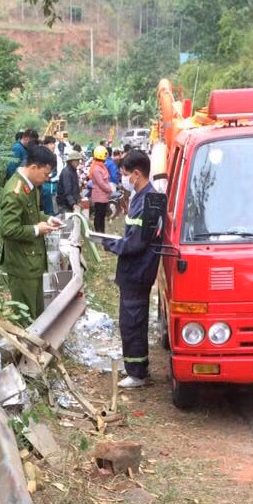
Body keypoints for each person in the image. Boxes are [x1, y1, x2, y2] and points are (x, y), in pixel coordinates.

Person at [99, 149, 161, 388]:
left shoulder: (147, 201)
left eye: (125, 175)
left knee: (132, 322)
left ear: (136, 173)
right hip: (135, 270)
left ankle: (136, 373)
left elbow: (135, 243)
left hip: (138, 271)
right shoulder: (142, 197)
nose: (124, 179)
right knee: (132, 320)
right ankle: (137, 367)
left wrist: (109, 244)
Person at [0, 143, 60, 324]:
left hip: (32, 262)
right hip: (21, 264)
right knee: (25, 318)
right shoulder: (15, 192)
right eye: (45, 174)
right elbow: (9, 229)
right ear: (34, 167)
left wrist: (48, 219)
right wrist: (36, 229)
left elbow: (31, 214)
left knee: (36, 312)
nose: (47, 178)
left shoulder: (30, 186)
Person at [89, 146, 113, 233]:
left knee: (102, 215)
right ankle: (98, 231)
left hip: (103, 196)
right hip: (99, 196)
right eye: (105, 154)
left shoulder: (101, 166)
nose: (106, 156)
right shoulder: (97, 168)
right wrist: (109, 189)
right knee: (99, 215)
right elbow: (101, 183)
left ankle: (101, 232)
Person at [57, 145, 83, 213]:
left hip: (70, 203)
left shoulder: (73, 171)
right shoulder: (67, 172)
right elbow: (67, 192)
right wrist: (73, 204)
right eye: (77, 160)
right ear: (71, 161)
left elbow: (75, 188)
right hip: (65, 204)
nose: (78, 162)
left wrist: (78, 200)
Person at [40, 134, 59, 214]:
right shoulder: (41, 156)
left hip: (52, 186)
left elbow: (56, 171)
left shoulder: (55, 156)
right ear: (45, 145)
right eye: (51, 144)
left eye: (54, 144)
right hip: (45, 186)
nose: (53, 146)